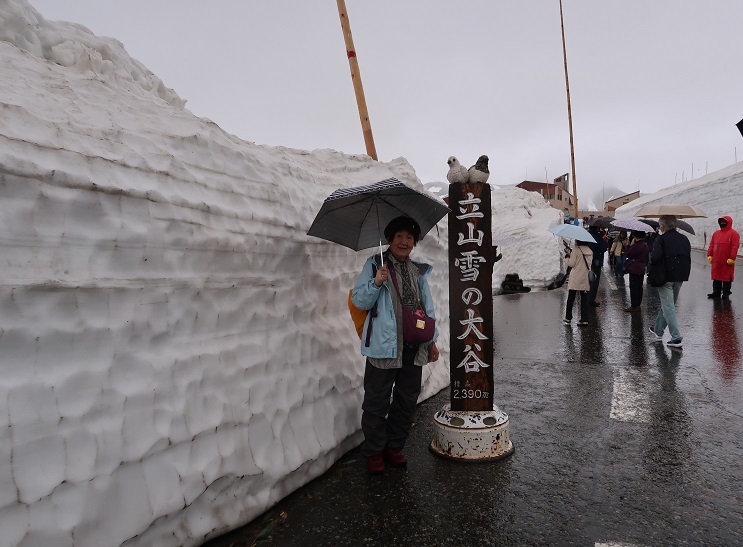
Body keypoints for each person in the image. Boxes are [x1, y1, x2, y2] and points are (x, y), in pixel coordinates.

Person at [351, 216, 439, 474]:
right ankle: (375, 451)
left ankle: (393, 446)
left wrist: (432, 341)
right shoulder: (375, 265)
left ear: (414, 243)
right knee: (376, 403)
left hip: (412, 347)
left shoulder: (417, 271)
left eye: (409, 237)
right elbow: (360, 300)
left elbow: (427, 308)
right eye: (399, 236)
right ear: (389, 239)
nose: (404, 241)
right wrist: (377, 282)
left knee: (405, 402)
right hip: (383, 347)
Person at [647, 215, 691, 348]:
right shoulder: (684, 238)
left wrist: (651, 257)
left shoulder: (661, 239)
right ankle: (658, 330)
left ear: (663, 227)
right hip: (680, 276)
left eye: (660, 227)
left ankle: (676, 337)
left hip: (665, 276)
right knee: (668, 305)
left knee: (668, 307)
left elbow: (655, 258)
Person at [706, 216, 740, 300]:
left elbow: (734, 246)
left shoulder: (734, 234)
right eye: (721, 222)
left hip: (727, 261)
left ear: (729, 222)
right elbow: (712, 245)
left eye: (724, 222)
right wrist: (710, 255)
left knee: (726, 277)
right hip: (717, 260)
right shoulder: (716, 233)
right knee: (716, 277)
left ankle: (726, 293)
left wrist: (732, 258)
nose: (722, 223)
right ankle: (716, 292)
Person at [564, 240, 593, 326]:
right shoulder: (590, 251)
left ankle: (568, 317)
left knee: (571, 298)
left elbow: (571, 264)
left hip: (576, 277)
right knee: (584, 299)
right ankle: (584, 319)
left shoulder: (576, 249)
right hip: (584, 277)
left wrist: (567, 257)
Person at [623, 231, 650, 312]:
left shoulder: (637, 245)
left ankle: (634, 306)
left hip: (634, 269)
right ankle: (638, 305)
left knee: (634, 287)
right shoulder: (645, 245)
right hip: (641, 269)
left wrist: (627, 245)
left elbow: (628, 254)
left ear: (636, 236)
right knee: (639, 287)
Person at [586, 226, 608, 306]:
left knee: (588, 280)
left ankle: (586, 298)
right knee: (594, 281)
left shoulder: (587, 235)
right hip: (596, 261)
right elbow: (604, 247)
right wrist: (604, 239)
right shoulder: (597, 237)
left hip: (588, 261)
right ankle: (591, 300)